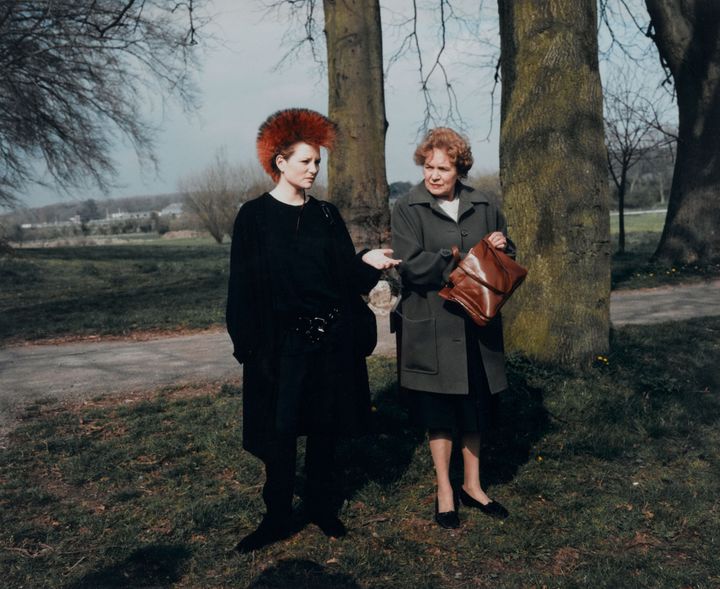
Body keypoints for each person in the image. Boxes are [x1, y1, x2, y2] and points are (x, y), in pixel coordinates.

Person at [226, 108, 399, 552]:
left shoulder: (325, 215)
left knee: (325, 431)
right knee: (280, 437)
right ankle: (277, 517)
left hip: (329, 345)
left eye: (318, 162)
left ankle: (322, 507)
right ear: (279, 162)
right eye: (305, 161)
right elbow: (242, 287)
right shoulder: (254, 217)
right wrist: (250, 348)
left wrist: (368, 262)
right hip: (280, 348)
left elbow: (342, 274)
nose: (313, 169)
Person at [391, 127, 513, 528]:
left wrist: (502, 245)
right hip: (433, 329)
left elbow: (502, 259)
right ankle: (445, 488)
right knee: (440, 414)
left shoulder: (484, 204)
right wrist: (449, 257)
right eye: (428, 167)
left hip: (477, 327)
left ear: (460, 169)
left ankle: (473, 486)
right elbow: (408, 267)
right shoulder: (407, 209)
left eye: (443, 168)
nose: (434, 175)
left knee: (475, 410)